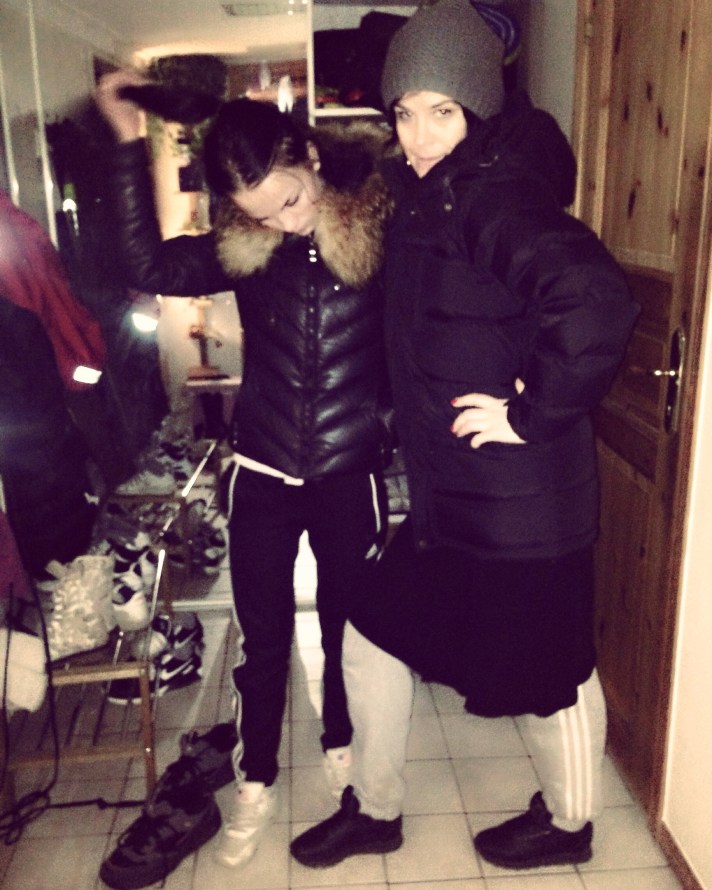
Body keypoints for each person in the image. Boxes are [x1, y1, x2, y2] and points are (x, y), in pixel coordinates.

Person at [290, 0, 640, 873]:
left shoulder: (492, 196)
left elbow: (595, 302)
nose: (418, 136)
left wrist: (526, 414)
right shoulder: (433, 195)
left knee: (552, 675)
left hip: (524, 511)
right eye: (405, 111)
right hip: (459, 502)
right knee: (373, 626)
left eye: (442, 111)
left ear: (479, 107)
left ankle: (570, 826)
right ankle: (375, 809)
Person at [95, 72, 393, 870]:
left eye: (288, 201)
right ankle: (254, 777)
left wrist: (393, 423)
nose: (282, 223)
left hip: (348, 473)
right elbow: (143, 261)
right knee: (262, 639)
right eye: (259, 215)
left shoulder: (383, 228)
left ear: (309, 157)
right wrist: (126, 141)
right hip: (261, 470)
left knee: (349, 629)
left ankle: (342, 749)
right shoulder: (247, 250)